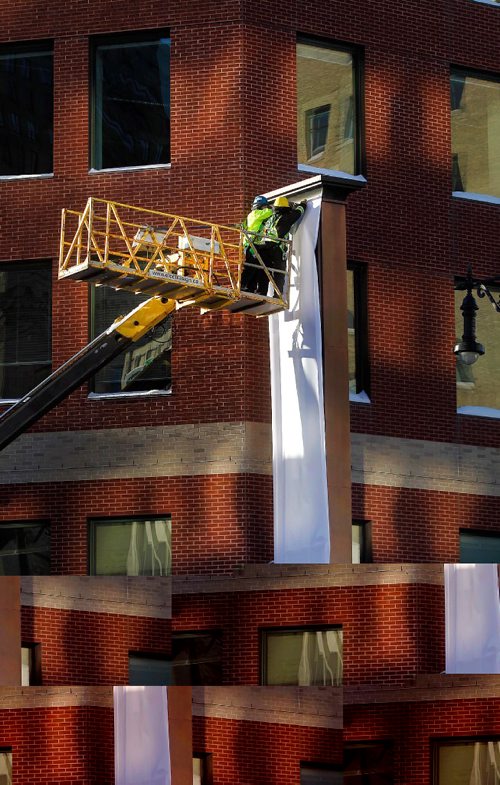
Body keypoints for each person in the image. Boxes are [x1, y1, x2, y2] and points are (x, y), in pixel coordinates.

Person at [262, 196, 307, 295]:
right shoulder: (285, 218)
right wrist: (303, 204)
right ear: (285, 208)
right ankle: (277, 295)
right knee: (279, 272)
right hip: (276, 248)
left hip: (264, 247)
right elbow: (297, 213)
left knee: (264, 271)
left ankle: (261, 292)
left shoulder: (270, 218)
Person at [240, 195, 273, 293]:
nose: (265, 208)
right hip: (251, 244)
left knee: (254, 266)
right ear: (259, 206)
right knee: (250, 267)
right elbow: (270, 212)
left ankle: (251, 288)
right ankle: (242, 285)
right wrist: (271, 207)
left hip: (251, 244)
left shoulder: (252, 214)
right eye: (264, 206)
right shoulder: (256, 213)